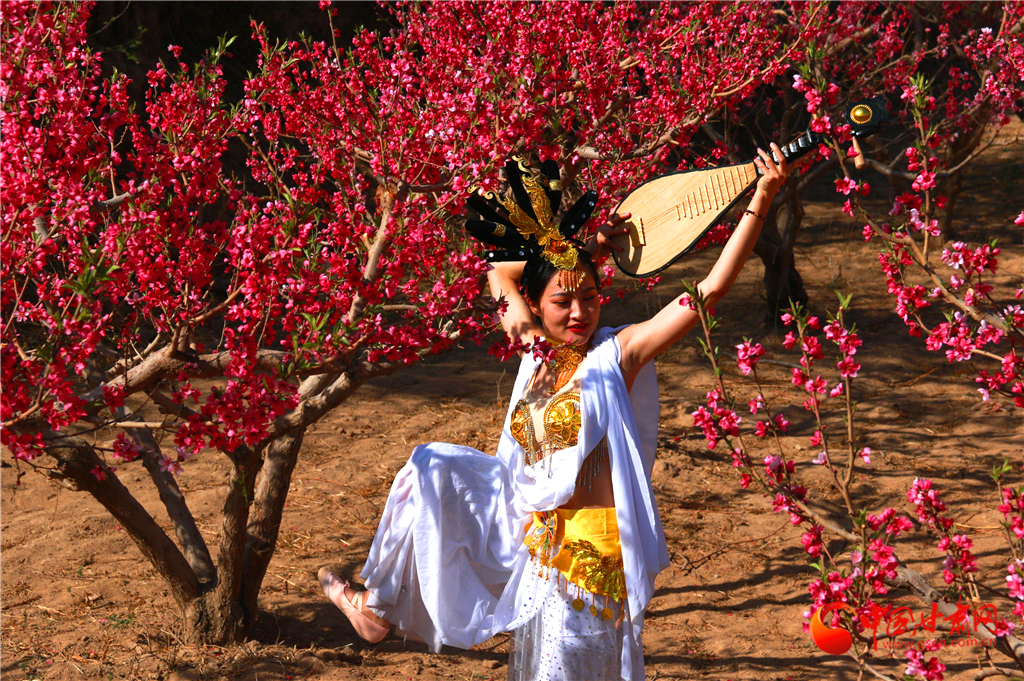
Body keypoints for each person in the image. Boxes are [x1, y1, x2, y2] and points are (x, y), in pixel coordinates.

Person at [318, 145, 791, 680]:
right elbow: (499, 272)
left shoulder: (619, 354)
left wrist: (761, 197)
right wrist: (583, 249)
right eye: (562, 301)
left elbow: (709, 290)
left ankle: (375, 607)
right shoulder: (533, 351)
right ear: (537, 306)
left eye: (589, 296)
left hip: (592, 551)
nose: (579, 312)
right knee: (429, 466)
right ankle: (377, 605)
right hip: (539, 546)